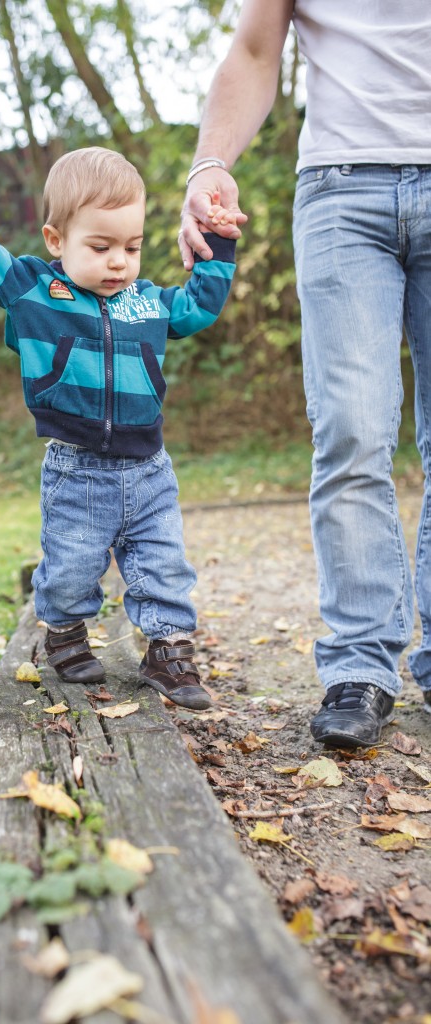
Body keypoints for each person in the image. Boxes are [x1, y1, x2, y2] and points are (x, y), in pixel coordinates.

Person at [179, 0, 431, 747]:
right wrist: (210, 162)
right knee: (351, 430)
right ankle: (360, 665)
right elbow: (255, 51)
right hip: (341, 189)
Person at [0, 146, 236, 709]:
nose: (119, 262)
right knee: (70, 569)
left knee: (163, 563)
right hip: (77, 470)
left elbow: (199, 308)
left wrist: (220, 246)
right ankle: (63, 633)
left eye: (131, 247)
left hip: (149, 469)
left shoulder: (147, 303)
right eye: (101, 246)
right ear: (56, 240)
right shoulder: (33, 290)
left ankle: (169, 650)